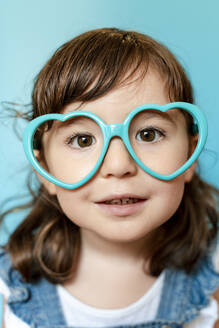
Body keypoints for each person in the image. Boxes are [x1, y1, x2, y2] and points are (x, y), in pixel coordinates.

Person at [0, 27, 219, 328]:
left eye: (148, 133)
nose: (118, 165)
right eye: (83, 140)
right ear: (46, 170)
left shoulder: (213, 283)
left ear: (189, 156)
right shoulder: (7, 293)